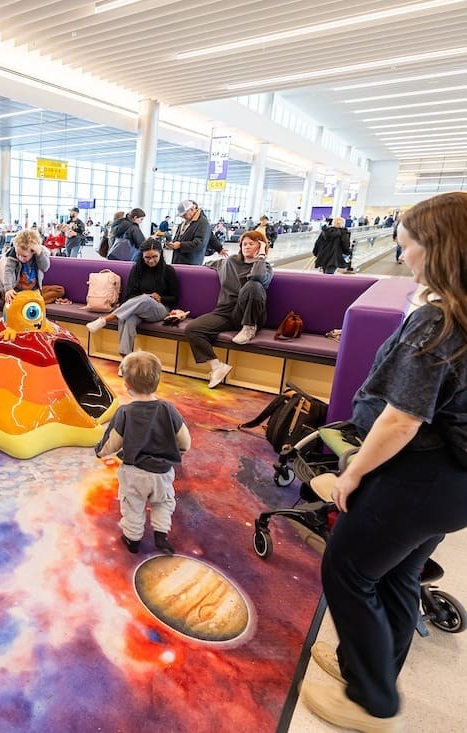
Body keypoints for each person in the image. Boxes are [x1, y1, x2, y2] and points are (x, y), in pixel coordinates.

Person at [299, 192, 467, 733]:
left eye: (408, 242)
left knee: (347, 570)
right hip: (449, 487)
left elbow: (402, 420)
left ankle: (372, 701)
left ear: (437, 248)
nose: (402, 252)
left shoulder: (438, 322)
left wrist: (352, 472)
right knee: (397, 575)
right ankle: (369, 673)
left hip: (420, 478)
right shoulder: (455, 311)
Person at [95, 351, 191, 555]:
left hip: (134, 473)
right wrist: (178, 452)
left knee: (133, 505)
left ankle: (133, 539)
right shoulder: (168, 409)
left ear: (127, 384)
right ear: (158, 381)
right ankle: (161, 534)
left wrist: (100, 452)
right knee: (163, 502)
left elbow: (112, 442)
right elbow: (185, 441)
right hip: (162, 473)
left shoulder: (125, 412)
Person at [184, 230, 272, 388]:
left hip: (248, 314)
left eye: (251, 244)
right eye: (244, 244)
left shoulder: (264, 267)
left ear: (261, 246)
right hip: (225, 312)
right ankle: (217, 367)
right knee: (193, 328)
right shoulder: (231, 262)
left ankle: (249, 327)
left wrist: (261, 257)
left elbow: (257, 277)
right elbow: (211, 263)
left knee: (253, 285)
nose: (246, 246)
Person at [87, 239, 179, 355]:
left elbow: (175, 298)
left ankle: (105, 320)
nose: (151, 261)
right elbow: (128, 295)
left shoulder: (168, 271)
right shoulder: (137, 270)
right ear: (142, 256)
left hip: (160, 310)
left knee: (146, 299)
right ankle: (125, 357)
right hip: (137, 309)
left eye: (154, 257)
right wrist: (144, 297)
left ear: (160, 253)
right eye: (147, 257)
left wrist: (161, 298)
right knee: (127, 319)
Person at [0, 228, 60, 305]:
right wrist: (8, 289)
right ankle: (33, 301)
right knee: (11, 299)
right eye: (18, 254)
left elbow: (45, 268)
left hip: (33, 290)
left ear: (33, 252)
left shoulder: (39, 253)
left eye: (24, 256)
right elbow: (8, 271)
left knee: (59, 290)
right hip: (17, 291)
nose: (20, 258)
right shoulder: (13, 254)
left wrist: (39, 254)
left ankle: (30, 301)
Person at [167, 200, 212, 266]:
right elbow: (178, 239)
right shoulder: (183, 224)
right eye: (182, 216)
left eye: (185, 214)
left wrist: (180, 245)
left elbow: (199, 244)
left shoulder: (203, 223)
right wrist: (172, 244)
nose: (183, 217)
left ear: (192, 209)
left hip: (190, 263)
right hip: (178, 261)